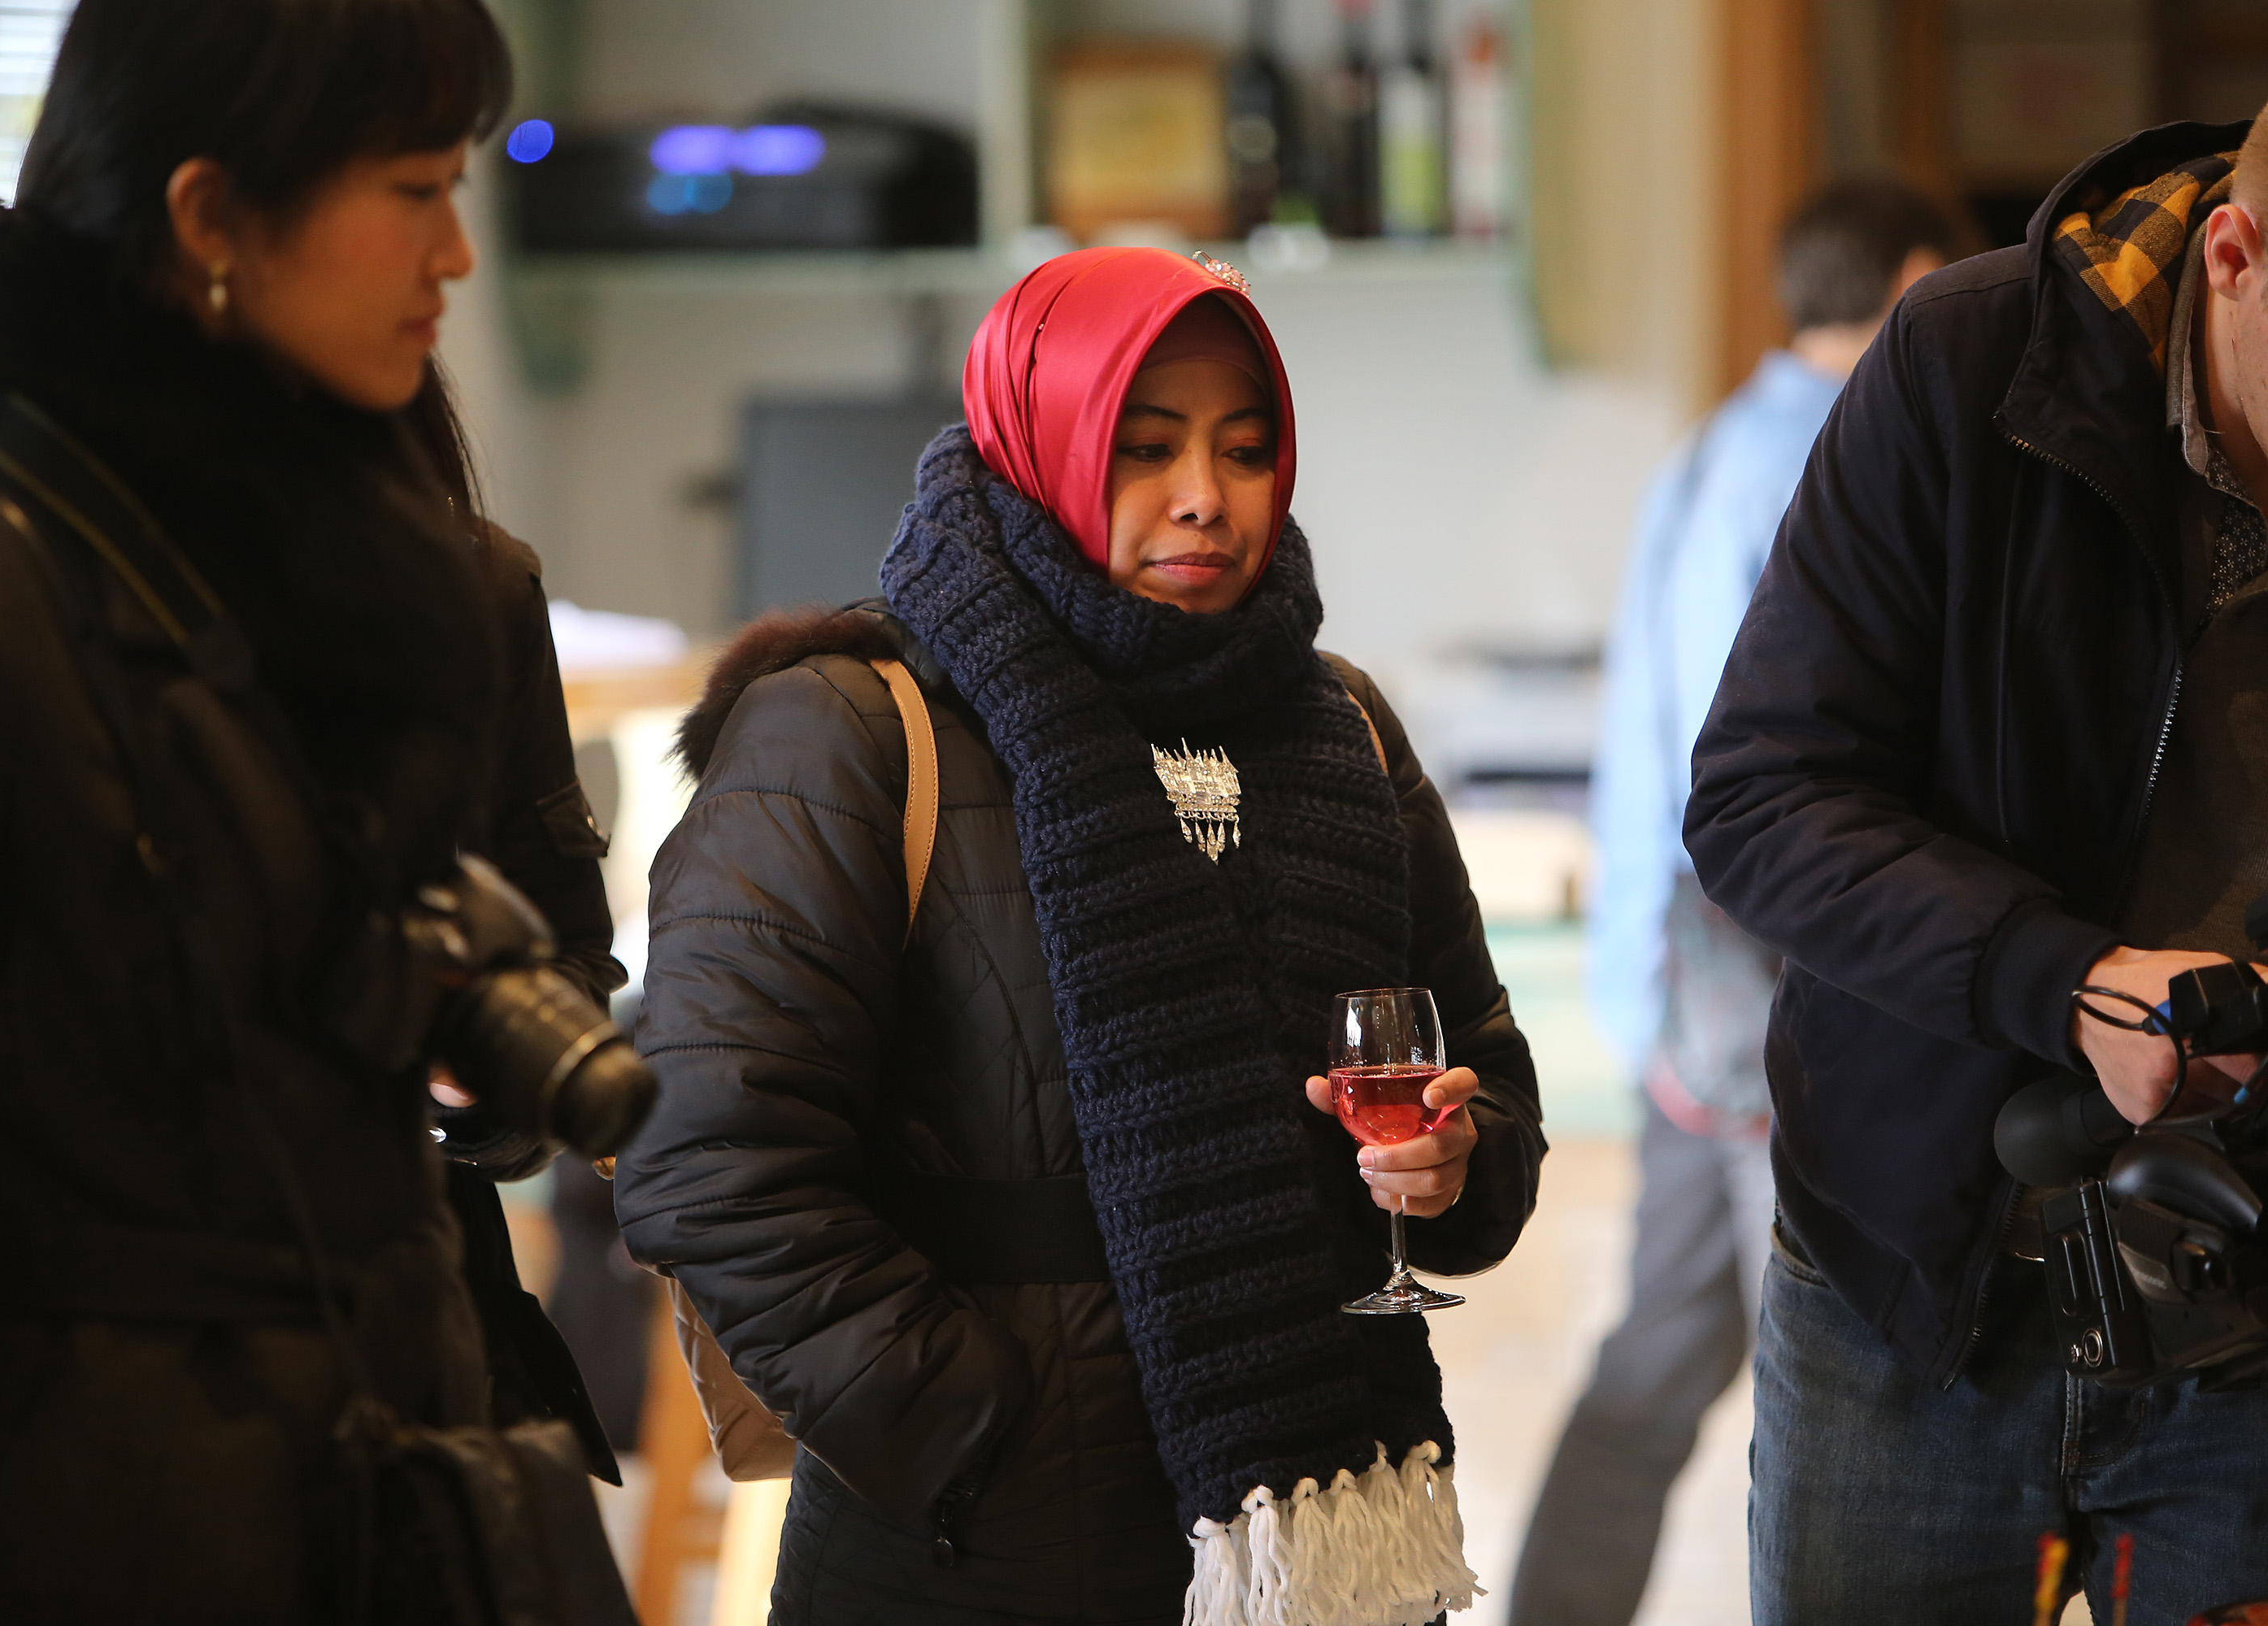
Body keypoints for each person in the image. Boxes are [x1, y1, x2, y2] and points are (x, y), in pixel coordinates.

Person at [0, 0, 629, 1616]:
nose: (457, 255)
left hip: (407, 1467)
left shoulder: (416, 585)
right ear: (210, 218)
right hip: (91, 1525)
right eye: (414, 191)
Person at [615, 246, 1547, 1625]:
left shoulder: (1342, 726)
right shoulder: (852, 727)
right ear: (1038, 443)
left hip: (1323, 1550)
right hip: (969, 1559)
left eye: (1246, 450)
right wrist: (962, 1432)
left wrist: (1455, 1165)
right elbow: (709, 1154)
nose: (1204, 495)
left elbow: (1487, 1079)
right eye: (1144, 446)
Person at [1686, 112, 2268, 1622]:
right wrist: (2066, 981)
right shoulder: (1972, 359)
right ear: (2234, 253)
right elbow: (1760, 798)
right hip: (1916, 1287)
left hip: (2243, 1315)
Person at [1508, 177, 1958, 1626]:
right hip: (1762, 988)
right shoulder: (1834, 451)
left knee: (1675, 1339)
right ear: (1916, 281)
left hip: (1691, 977)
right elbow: (1770, 779)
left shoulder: (1725, 440)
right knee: (1847, 1359)